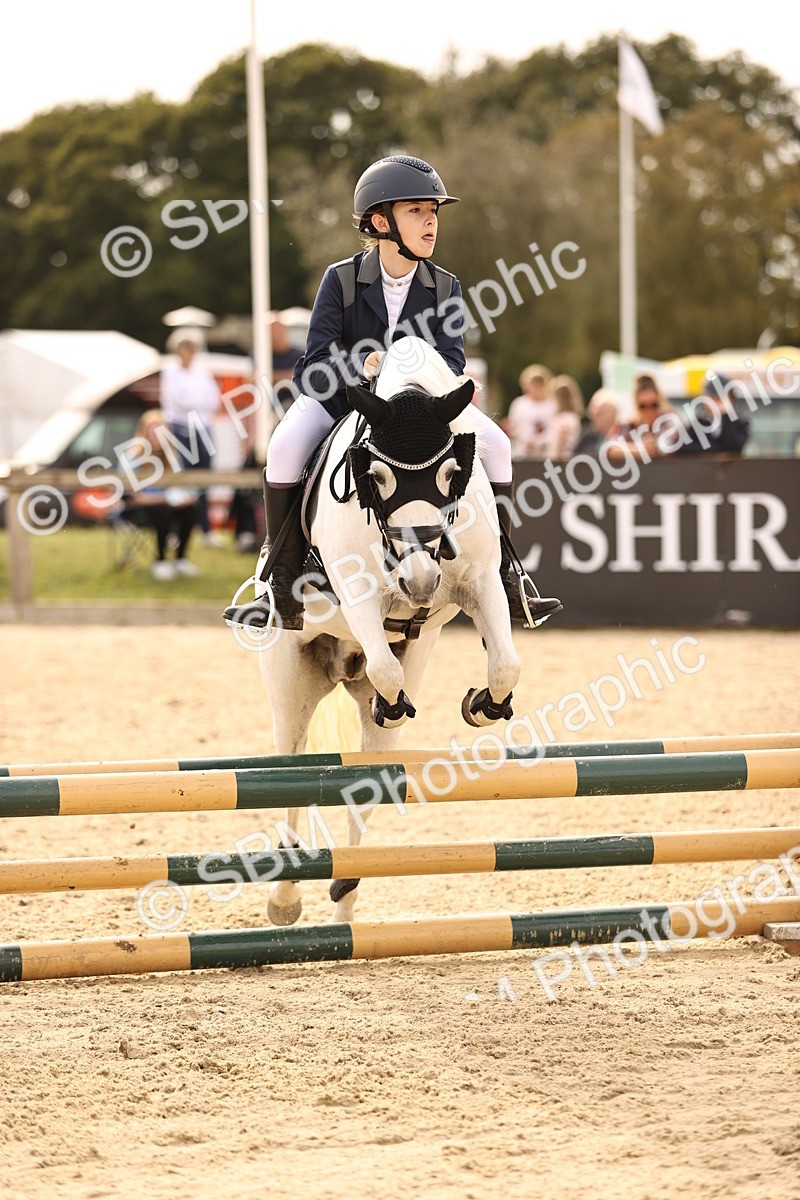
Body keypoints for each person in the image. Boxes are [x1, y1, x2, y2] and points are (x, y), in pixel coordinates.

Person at [224, 155, 562, 630]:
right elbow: (314, 361)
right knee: (282, 447)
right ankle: (282, 582)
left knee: (501, 446)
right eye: (417, 211)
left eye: (434, 212)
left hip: (420, 413)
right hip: (346, 402)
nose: (430, 222)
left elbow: (453, 361)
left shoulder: (445, 286)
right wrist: (359, 368)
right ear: (381, 221)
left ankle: (507, 574)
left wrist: (410, 384)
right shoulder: (340, 279)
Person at [159, 337, 222, 545]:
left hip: (202, 429)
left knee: (204, 480)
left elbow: (213, 400)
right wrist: (197, 403)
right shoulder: (170, 373)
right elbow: (178, 401)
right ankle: (176, 531)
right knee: (181, 480)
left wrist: (194, 403)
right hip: (179, 428)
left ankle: (206, 529)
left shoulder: (202, 372)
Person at [128, 410, 201, 581]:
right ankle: (160, 561)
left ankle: (180, 559)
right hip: (140, 510)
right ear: (143, 433)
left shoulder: (173, 457)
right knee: (163, 509)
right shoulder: (133, 458)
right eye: (151, 431)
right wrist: (165, 498)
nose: (155, 436)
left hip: (168, 504)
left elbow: (178, 487)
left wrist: (183, 498)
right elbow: (136, 497)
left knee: (190, 509)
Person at [605, 373, 682, 461]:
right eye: (643, 406)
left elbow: (666, 447)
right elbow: (608, 448)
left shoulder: (670, 421)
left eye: (653, 405)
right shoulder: (627, 425)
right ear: (636, 404)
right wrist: (640, 451)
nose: (648, 411)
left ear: (659, 401)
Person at [677, 375, 751, 455]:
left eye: (720, 399)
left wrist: (727, 414)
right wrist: (717, 450)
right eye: (712, 398)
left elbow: (735, 446)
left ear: (731, 400)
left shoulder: (740, 423)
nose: (715, 403)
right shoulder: (699, 423)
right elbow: (685, 447)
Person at [506, 364, 556, 459]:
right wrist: (525, 441)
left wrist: (540, 443)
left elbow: (555, 429)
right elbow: (513, 427)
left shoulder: (553, 405)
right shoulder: (519, 404)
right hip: (523, 454)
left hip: (546, 456)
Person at [545, 374, 584, 459]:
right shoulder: (573, 417)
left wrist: (555, 459)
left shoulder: (564, 418)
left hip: (558, 462)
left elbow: (561, 441)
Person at [572, 388, 619, 456]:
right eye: (592, 413)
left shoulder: (623, 434)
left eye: (599, 413)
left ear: (612, 414)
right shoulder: (587, 437)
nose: (593, 417)